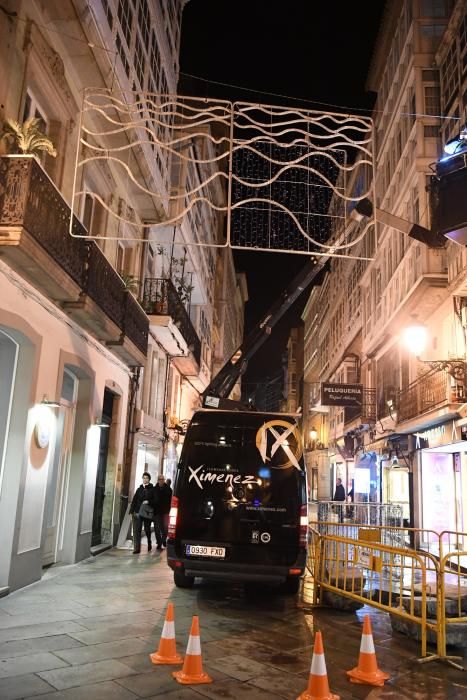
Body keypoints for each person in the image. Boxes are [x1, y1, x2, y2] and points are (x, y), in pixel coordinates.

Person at [129, 472, 155, 554]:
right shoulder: (139, 489)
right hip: (138, 512)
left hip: (146, 513)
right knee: (137, 530)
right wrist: (131, 510)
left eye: (146, 478)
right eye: (144, 478)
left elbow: (156, 500)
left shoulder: (152, 489)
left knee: (147, 530)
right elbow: (134, 500)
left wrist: (149, 501)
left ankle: (149, 542)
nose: (145, 479)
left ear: (149, 479)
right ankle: (137, 548)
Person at [154, 474, 173, 549]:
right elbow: (151, 498)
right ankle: (159, 543)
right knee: (157, 528)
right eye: (160, 479)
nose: (161, 481)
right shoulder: (154, 489)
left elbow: (171, 500)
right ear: (158, 480)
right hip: (157, 511)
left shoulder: (169, 489)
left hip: (166, 511)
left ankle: (163, 539)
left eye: (162, 479)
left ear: (164, 480)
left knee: (165, 527)